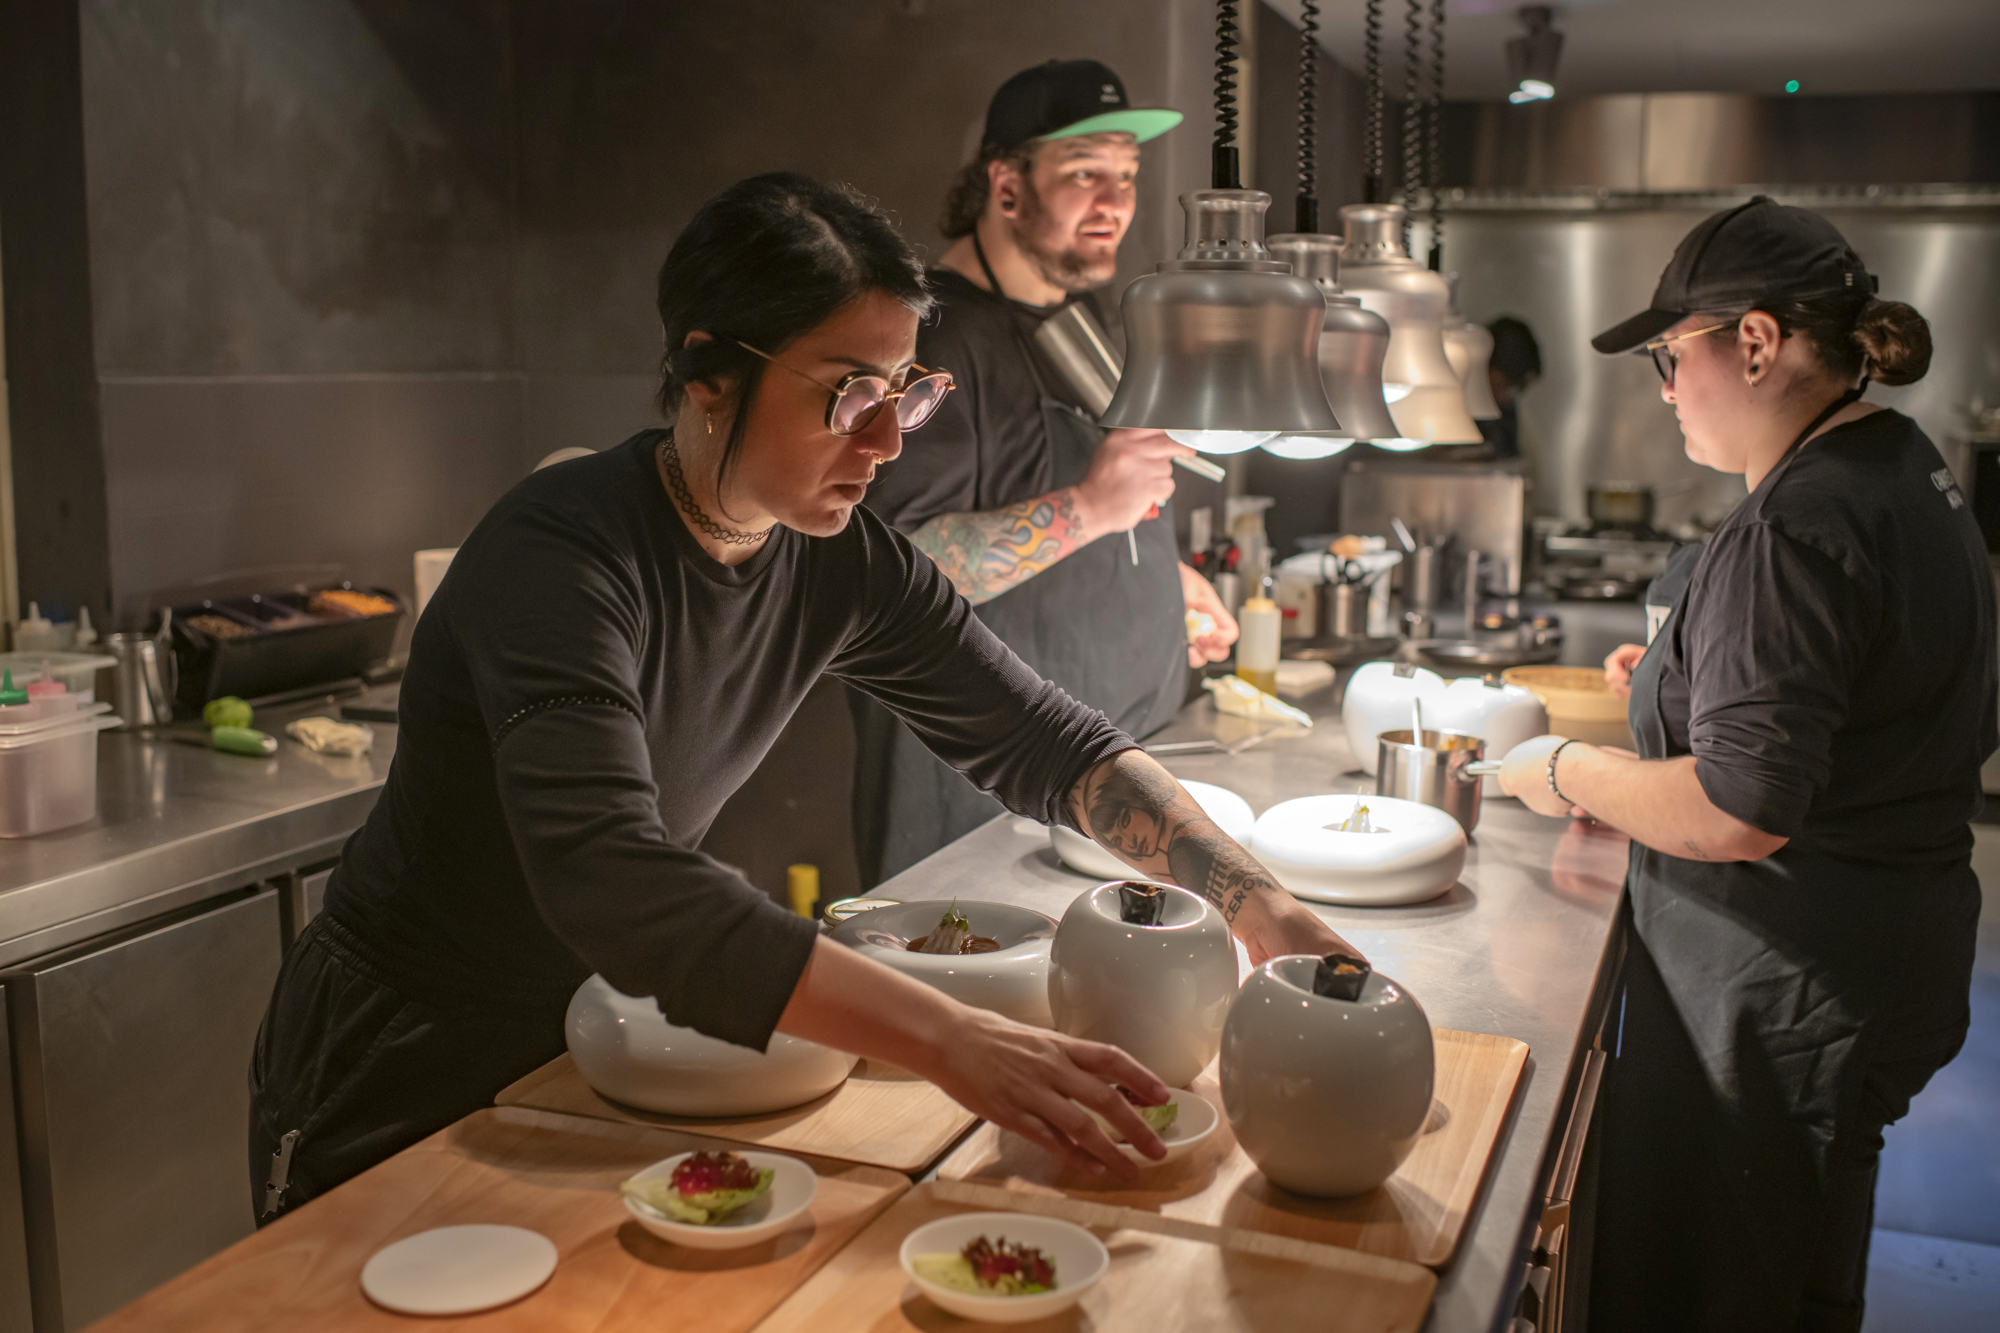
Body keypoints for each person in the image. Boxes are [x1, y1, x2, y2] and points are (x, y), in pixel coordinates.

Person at [248, 172, 1349, 1222]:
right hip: (406, 1048)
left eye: (905, 395)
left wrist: (1263, 906)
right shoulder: (563, 555)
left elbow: (1046, 744)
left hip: (592, 1033)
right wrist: (953, 1039)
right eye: (848, 394)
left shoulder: (832, 559)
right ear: (705, 373)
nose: (881, 444)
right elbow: (612, 874)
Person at [1498, 197, 1995, 1331]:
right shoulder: (1897, 465)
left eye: (1672, 358)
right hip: (1884, 953)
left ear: (1757, 344)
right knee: (1800, 1278)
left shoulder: (1795, 521)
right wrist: (1683, 673)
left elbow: (1738, 806)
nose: (1666, 388)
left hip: (1778, 995)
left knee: (1706, 1290)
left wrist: (1565, 769)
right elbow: (1873, 691)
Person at [851, 59, 1238, 886]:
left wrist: (1168, 583)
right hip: (988, 804)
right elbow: (900, 570)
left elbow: (1071, 500)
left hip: (1112, 771)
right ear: (1007, 182)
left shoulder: (1078, 308)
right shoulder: (932, 338)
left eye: (1127, 177)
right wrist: (1095, 508)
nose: (1116, 202)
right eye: (1084, 172)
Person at [1480, 315, 1540, 460]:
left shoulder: (1509, 413)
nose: (1506, 396)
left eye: (1516, 388)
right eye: (1501, 384)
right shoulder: (1453, 411)